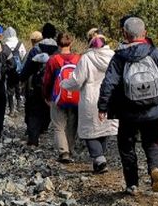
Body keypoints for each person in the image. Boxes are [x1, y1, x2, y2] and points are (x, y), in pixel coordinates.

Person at [98, 17, 158, 196]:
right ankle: (155, 168)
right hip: (153, 109)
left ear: (125, 34)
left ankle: (132, 184)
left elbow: (109, 83)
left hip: (127, 111)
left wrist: (103, 106)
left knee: (127, 146)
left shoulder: (120, 56)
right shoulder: (156, 53)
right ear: (144, 32)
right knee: (152, 142)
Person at [58, 33, 117, 172]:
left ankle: (99, 158)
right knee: (104, 128)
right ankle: (100, 158)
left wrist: (64, 84)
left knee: (90, 130)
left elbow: (77, 80)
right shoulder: (113, 56)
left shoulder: (86, 58)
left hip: (90, 97)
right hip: (109, 96)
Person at [42, 33, 82, 163]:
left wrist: (46, 96)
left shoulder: (53, 60)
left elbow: (47, 80)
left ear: (57, 44)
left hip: (57, 96)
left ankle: (63, 152)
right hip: (75, 96)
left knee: (59, 125)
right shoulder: (78, 58)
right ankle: (70, 149)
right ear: (71, 44)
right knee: (72, 124)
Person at [21, 36, 57, 146]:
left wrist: (20, 79)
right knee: (47, 111)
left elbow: (26, 72)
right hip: (51, 90)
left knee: (34, 113)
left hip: (36, 88)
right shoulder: (57, 59)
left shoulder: (37, 57)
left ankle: (33, 138)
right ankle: (43, 128)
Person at [4, 27, 27, 115]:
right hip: (18, 70)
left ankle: (11, 109)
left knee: (10, 89)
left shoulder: (5, 45)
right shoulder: (20, 43)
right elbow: (23, 55)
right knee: (18, 87)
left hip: (9, 70)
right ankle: (19, 104)